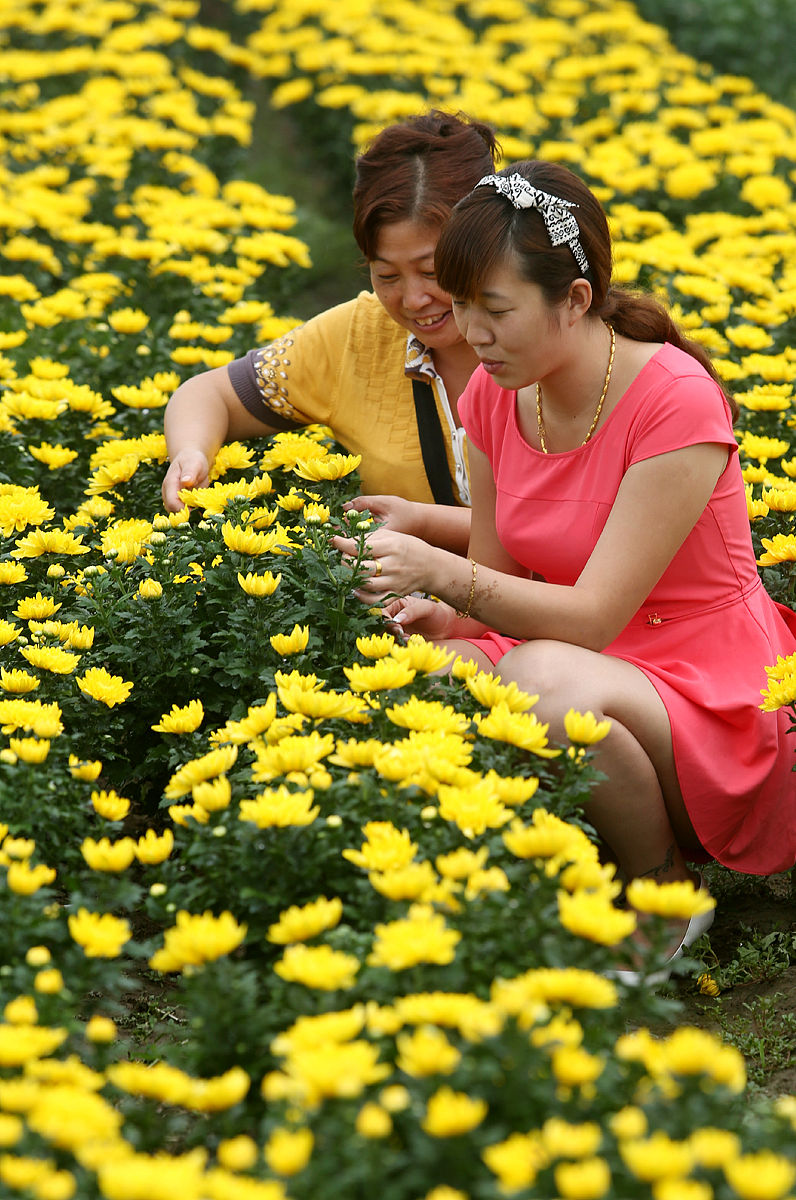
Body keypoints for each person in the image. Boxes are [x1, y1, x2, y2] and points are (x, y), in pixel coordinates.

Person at [333, 159, 796, 971]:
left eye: (495, 309)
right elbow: (497, 581)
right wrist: (437, 618)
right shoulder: (495, 394)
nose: (471, 331)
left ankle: (663, 893)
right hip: (581, 661)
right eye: (462, 304)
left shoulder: (674, 400)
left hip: (713, 687)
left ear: (575, 299)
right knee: (415, 674)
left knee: (542, 684)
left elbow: (591, 617)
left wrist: (439, 572)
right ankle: (504, 888)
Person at [161, 109, 500, 552]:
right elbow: (209, 393)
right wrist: (191, 453)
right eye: (388, 276)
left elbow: (567, 526)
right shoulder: (356, 338)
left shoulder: (549, 338)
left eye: (432, 271)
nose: (414, 299)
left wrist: (422, 523)